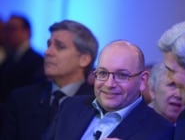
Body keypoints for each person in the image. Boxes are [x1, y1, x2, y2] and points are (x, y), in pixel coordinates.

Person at [42, 40, 175, 140]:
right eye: (103, 73)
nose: (109, 84)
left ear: (143, 80)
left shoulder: (161, 131)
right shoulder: (70, 107)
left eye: (122, 75)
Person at [0, 20, 99, 140]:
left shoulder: (97, 105)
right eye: (49, 45)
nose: (47, 52)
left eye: (60, 47)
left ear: (84, 59)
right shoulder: (20, 99)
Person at [0, 14, 46, 104]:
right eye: (7, 29)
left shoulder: (38, 61)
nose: (8, 34)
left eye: (13, 29)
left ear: (27, 32)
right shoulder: (8, 58)